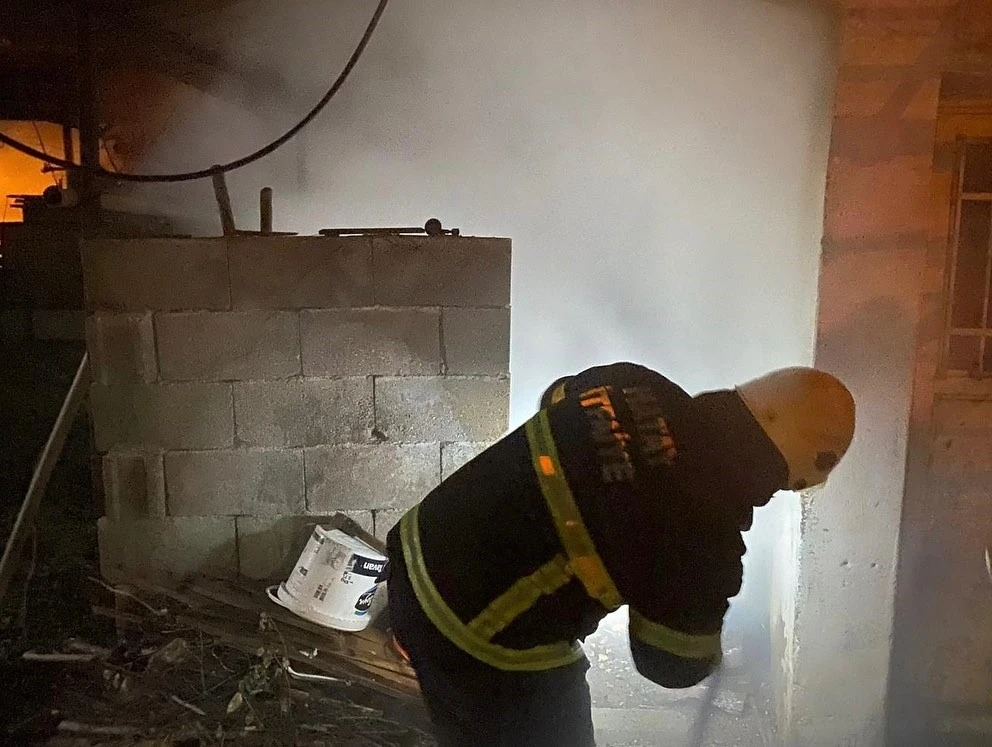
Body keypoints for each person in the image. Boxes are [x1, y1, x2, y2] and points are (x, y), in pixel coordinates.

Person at [385, 362, 855, 746]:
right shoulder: (706, 540)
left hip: (414, 547)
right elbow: (670, 663)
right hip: (464, 633)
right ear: (782, 471)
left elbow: (554, 397)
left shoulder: (633, 382)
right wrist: (709, 648)